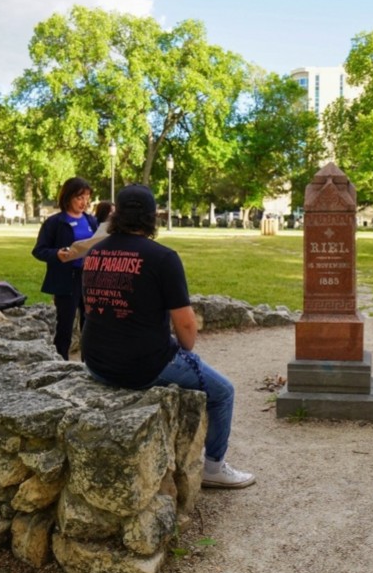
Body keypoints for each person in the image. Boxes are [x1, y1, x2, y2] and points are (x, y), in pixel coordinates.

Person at [80, 184, 255, 488]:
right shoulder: (162, 257)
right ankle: (214, 466)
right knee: (223, 391)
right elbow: (185, 325)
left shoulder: (95, 253)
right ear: (152, 217)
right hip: (141, 365)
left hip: (95, 361)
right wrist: (186, 352)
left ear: (116, 215)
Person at [32, 177, 97, 360]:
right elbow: (39, 250)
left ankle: (89, 362)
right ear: (68, 197)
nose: (84, 202)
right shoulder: (55, 222)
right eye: (79, 198)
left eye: (87, 197)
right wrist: (57, 254)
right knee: (65, 325)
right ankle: (62, 362)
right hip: (66, 278)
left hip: (89, 278)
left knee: (90, 323)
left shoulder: (91, 221)